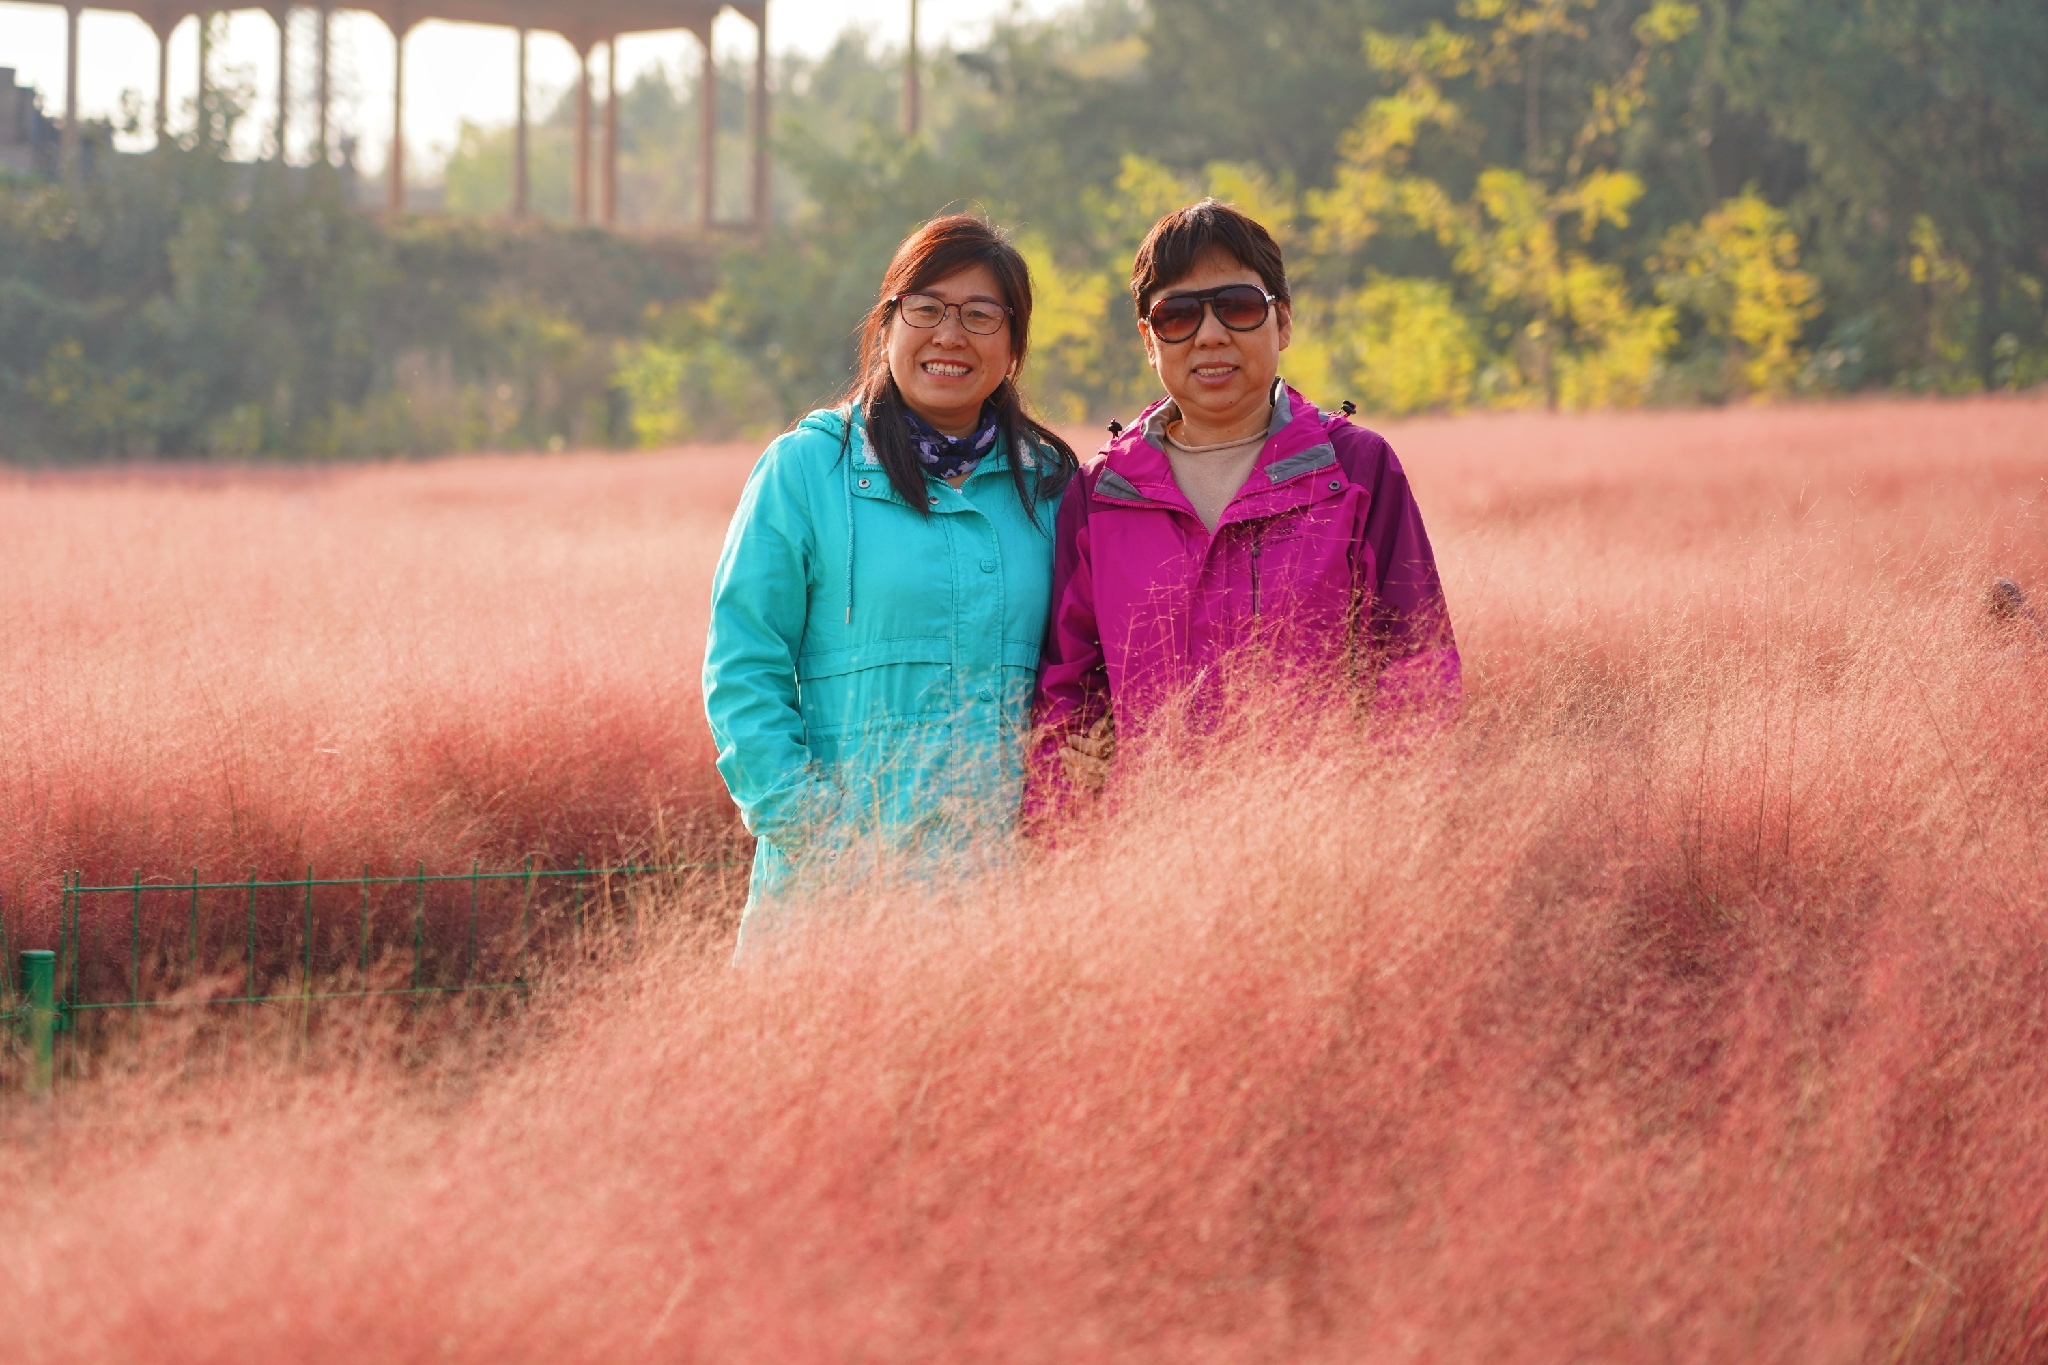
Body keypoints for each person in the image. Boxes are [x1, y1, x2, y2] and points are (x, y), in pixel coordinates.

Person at [704, 214, 1080, 942]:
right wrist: (832, 847)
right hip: (831, 905)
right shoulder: (808, 470)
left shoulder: (1053, 487)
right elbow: (743, 670)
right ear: (888, 324)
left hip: (1002, 904)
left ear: (1013, 344)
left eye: (980, 315)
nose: (950, 335)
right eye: (927, 308)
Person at [1034, 198, 1460, 804]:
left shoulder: (1356, 471)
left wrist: (1393, 830)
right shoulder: (1101, 494)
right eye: (1176, 316)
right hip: (1146, 858)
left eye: (1236, 307)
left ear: (1282, 321)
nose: (1209, 335)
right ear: (1148, 340)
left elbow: (1416, 674)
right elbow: (1066, 703)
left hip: (1327, 846)